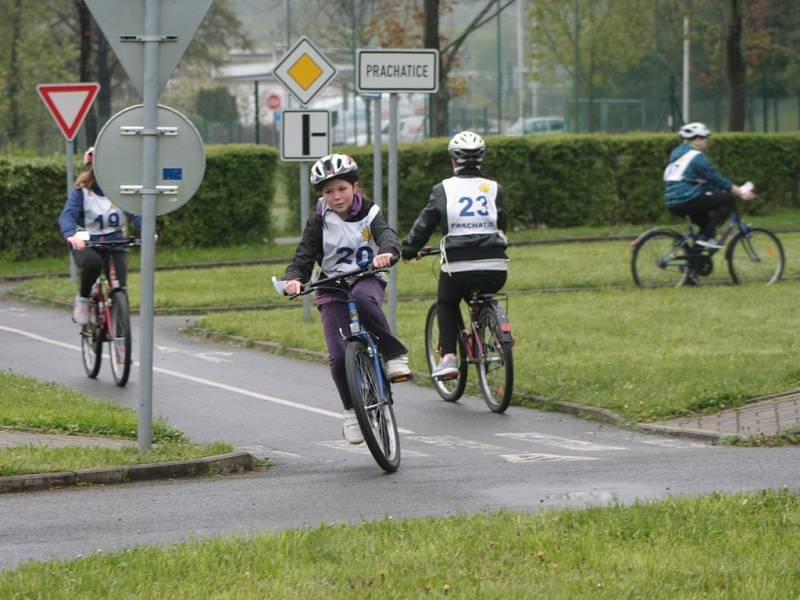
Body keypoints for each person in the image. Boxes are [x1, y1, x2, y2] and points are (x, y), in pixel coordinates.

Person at [280, 153, 411, 445]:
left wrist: (387, 253)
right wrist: (294, 279)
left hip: (367, 276)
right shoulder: (319, 221)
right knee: (339, 357)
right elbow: (303, 257)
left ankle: (393, 354)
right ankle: (351, 412)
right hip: (332, 286)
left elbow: (387, 235)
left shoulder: (370, 212)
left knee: (365, 299)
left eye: (342, 189)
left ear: (354, 186)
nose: (336, 197)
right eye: (328, 191)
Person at [401, 130, 509, 379]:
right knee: (483, 291)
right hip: (496, 266)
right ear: (481, 159)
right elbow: (501, 223)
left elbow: (425, 224)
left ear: (453, 160)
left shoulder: (443, 189)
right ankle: (497, 330)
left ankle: (449, 357)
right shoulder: (495, 189)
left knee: (447, 303)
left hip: (458, 267)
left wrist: (409, 248)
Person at [59, 146, 141, 325]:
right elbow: (67, 215)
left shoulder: (122, 191)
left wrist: (148, 230)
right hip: (87, 242)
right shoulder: (82, 192)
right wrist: (71, 235)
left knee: (121, 286)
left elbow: (136, 213)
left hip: (115, 243)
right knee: (93, 264)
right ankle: (83, 298)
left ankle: (120, 331)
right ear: (93, 169)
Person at [664, 122, 755, 250]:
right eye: (704, 138)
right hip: (687, 199)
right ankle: (706, 237)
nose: (706, 141)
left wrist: (724, 191)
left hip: (673, 203)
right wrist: (739, 191)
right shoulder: (696, 157)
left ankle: (695, 262)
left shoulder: (678, 156)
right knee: (728, 199)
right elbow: (715, 178)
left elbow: (705, 183)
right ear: (697, 140)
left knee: (707, 225)